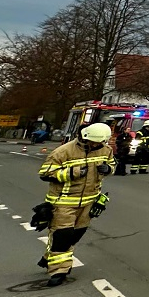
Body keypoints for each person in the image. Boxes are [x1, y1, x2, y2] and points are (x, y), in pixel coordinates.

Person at [36, 122, 114, 286]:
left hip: (89, 202)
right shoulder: (64, 151)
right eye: (94, 142)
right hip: (64, 202)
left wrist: (108, 169)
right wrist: (72, 172)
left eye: (100, 142)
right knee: (62, 236)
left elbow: (112, 164)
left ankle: (49, 258)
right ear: (85, 137)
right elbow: (45, 173)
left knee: (75, 235)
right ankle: (59, 271)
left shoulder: (106, 150)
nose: (96, 145)